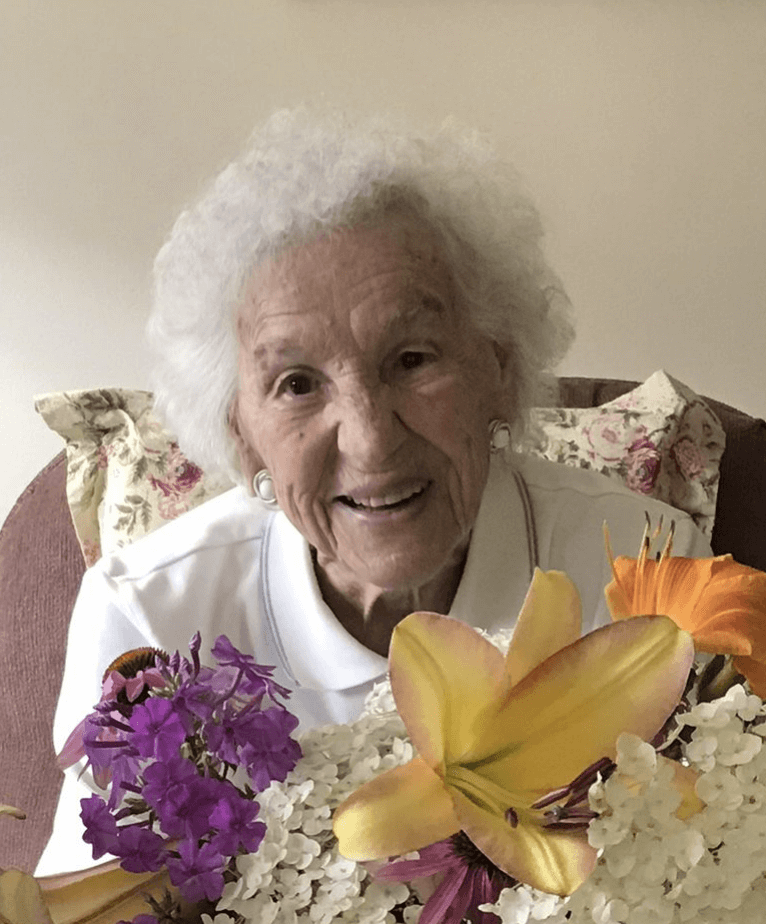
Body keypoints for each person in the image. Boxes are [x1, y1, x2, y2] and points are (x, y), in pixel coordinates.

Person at [36, 109, 711, 875]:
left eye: (413, 359)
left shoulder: (645, 573)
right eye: (296, 384)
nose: (370, 438)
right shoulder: (149, 617)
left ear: (498, 366)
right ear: (239, 428)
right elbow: (96, 896)